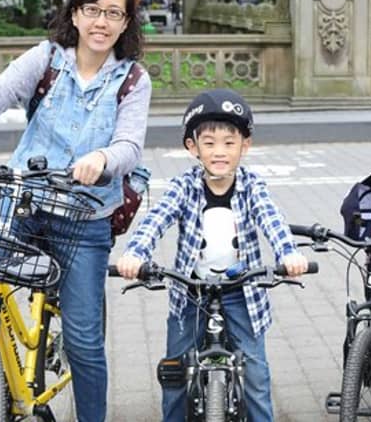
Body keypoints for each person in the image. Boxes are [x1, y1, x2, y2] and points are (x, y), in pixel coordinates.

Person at [0, 0, 152, 422]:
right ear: (74, 14)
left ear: (126, 22)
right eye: (92, 10)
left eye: (114, 13)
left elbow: (129, 146)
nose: (101, 22)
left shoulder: (132, 80)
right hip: (24, 203)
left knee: (83, 340)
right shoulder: (47, 59)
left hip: (84, 218)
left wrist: (102, 158)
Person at [116, 88, 309, 422]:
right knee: (175, 373)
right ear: (193, 147)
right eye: (209, 143)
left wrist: (289, 253)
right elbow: (156, 219)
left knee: (257, 377)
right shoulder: (184, 186)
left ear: (245, 146)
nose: (219, 152)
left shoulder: (253, 187)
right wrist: (135, 253)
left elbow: (272, 219)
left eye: (229, 143)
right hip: (190, 293)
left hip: (241, 293)